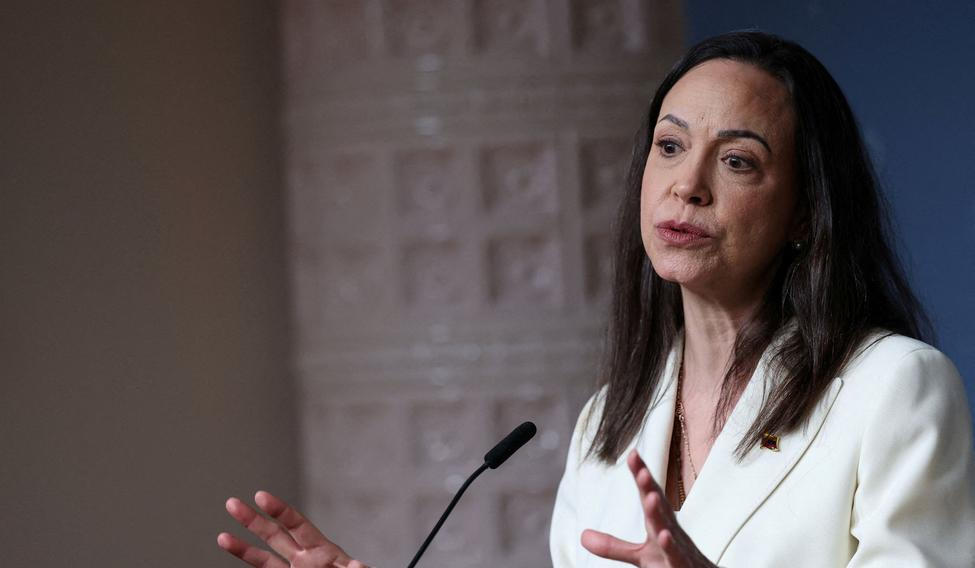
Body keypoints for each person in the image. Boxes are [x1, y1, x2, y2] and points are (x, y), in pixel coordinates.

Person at [216, 31, 975, 568]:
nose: (687, 184)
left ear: (806, 211)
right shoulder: (607, 423)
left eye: (737, 160)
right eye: (670, 147)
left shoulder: (893, 388)